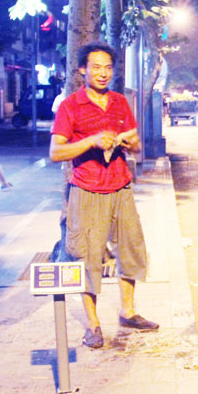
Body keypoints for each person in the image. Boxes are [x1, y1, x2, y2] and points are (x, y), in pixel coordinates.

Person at [50, 41, 158, 349]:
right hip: (86, 190)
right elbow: (56, 152)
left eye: (107, 68)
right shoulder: (71, 105)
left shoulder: (120, 102)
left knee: (131, 248)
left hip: (120, 187)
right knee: (88, 256)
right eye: (95, 67)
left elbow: (137, 144)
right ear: (82, 70)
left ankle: (128, 311)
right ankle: (94, 325)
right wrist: (93, 141)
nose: (102, 73)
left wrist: (128, 141)